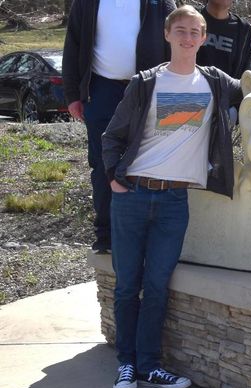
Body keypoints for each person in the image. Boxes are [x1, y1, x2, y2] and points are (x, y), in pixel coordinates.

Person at [102, 5, 243, 388]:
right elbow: (111, 137)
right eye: (180, 30)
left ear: (203, 38)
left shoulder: (215, 81)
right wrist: (115, 179)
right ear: (167, 35)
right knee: (128, 285)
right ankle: (126, 365)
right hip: (132, 194)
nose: (187, 37)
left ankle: (149, 365)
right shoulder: (146, 83)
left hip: (174, 202)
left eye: (195, 31)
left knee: (158, 285)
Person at [63, 0, 176, 254]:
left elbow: (175, 43)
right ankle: (107, 235)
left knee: (147, 163)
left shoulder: (161, 3)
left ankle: (143, 234)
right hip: (100, 91)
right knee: (104, 165)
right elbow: (73, 45)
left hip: (147, 91)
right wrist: (72, 95)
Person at [197, 0, 251, 80]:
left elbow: (246, 73)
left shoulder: (243, 30)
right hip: (190, 89)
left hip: (229, 90)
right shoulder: (189, 20)